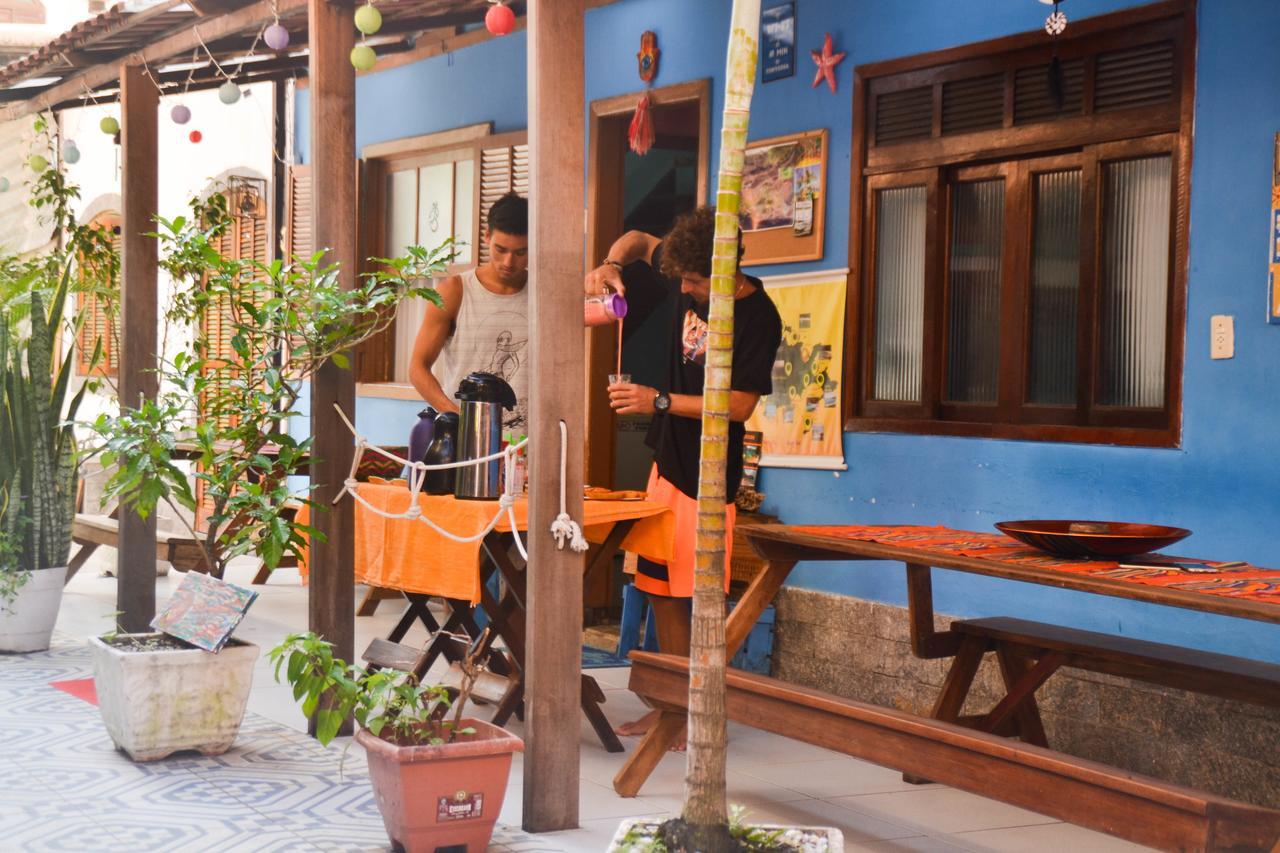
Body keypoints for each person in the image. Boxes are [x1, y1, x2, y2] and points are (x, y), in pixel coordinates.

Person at [585, 206, 782, 744]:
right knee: (658, 587)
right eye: (682, 279)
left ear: (726, 267)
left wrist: (658, 400)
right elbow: (633, 237)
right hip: (666, 464)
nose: (686, 288)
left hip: (708, 473)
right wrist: (608, 265)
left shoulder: (758, 316)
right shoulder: (681, 267)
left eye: (694, 280)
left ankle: (689, 714)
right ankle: (671, 708)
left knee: (691, 597)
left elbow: (739, 406)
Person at [409, 192, 529, 430]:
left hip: (528, 443)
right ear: (486, 236)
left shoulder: (545, 295)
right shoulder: (455, 291)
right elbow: (417, 367)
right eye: (500, 249)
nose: (508, 262)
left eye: (520, 252)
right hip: (466, 441)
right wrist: (455, 416)